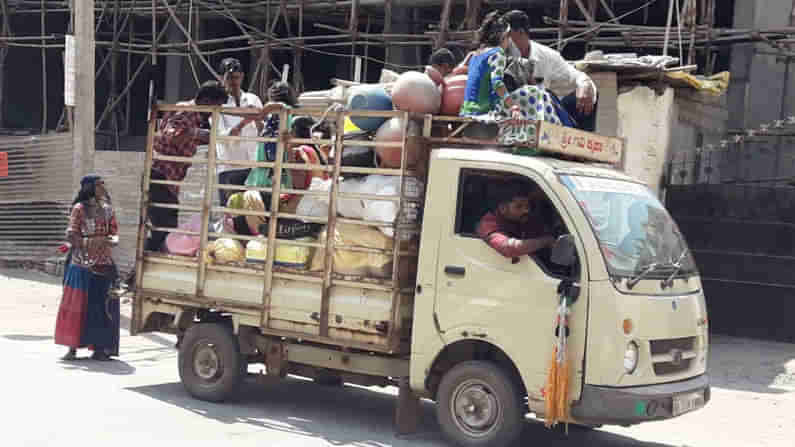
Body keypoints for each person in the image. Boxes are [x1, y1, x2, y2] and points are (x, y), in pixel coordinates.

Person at [145, 81, 228, 253]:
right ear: (205, 101)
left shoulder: (195, 117)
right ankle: (147, 269)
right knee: (163, 231)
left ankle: (146, 268)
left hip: (166, 180)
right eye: (216, 106)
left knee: (163, 229)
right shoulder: (187, 112)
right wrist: (200, 134)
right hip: (160, 177)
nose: (216, 111)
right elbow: (172, 135)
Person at [55, 175, 120, 361]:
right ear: (90, 187)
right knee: (77, 306)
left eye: (103, 184)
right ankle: (72, 348)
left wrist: (110, 241)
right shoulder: (79, 209)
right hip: (81, 265)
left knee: (101, 307)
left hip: (104, 264)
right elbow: (72, 237)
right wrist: (92, 241)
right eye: (99, 184)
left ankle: (99, 349)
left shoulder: (108, 210)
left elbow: (115, 234)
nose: (103, 187)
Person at [503, 10, 598, 131]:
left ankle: (581, 145)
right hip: (511, 115)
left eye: (507, 36)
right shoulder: (498, 55)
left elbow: (576, 76)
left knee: (588, 94)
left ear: (520, 32)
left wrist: (585, 84)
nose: (504, 41)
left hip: (543, 117)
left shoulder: (548, 56)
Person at [215, 58, 265, 206]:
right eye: (229, 78)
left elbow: (263, 130)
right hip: (229, 167)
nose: (233, 82)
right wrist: (245, 120)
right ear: (221, 78)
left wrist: (256, 118)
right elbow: (221, 136)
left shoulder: (252, 99)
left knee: (253, 211)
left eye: (237, 77)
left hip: (253, 165)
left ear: (242, 77)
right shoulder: (218, 104)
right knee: (230, 213)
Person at [459, 11, 520, 117]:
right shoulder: (498, 53)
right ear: (503, 36)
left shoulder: (476, 54)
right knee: (531, 94)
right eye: (508, 36)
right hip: (482, 111)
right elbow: (497, 83)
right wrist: (513, 106)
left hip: (466, 110)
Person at [476, 180, 555, 258]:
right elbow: (509, 248)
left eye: (527, 206)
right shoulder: (488, 224)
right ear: (503, 208)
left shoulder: (521, 219)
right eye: (519, 206)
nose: (526, 210)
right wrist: (546, 241)